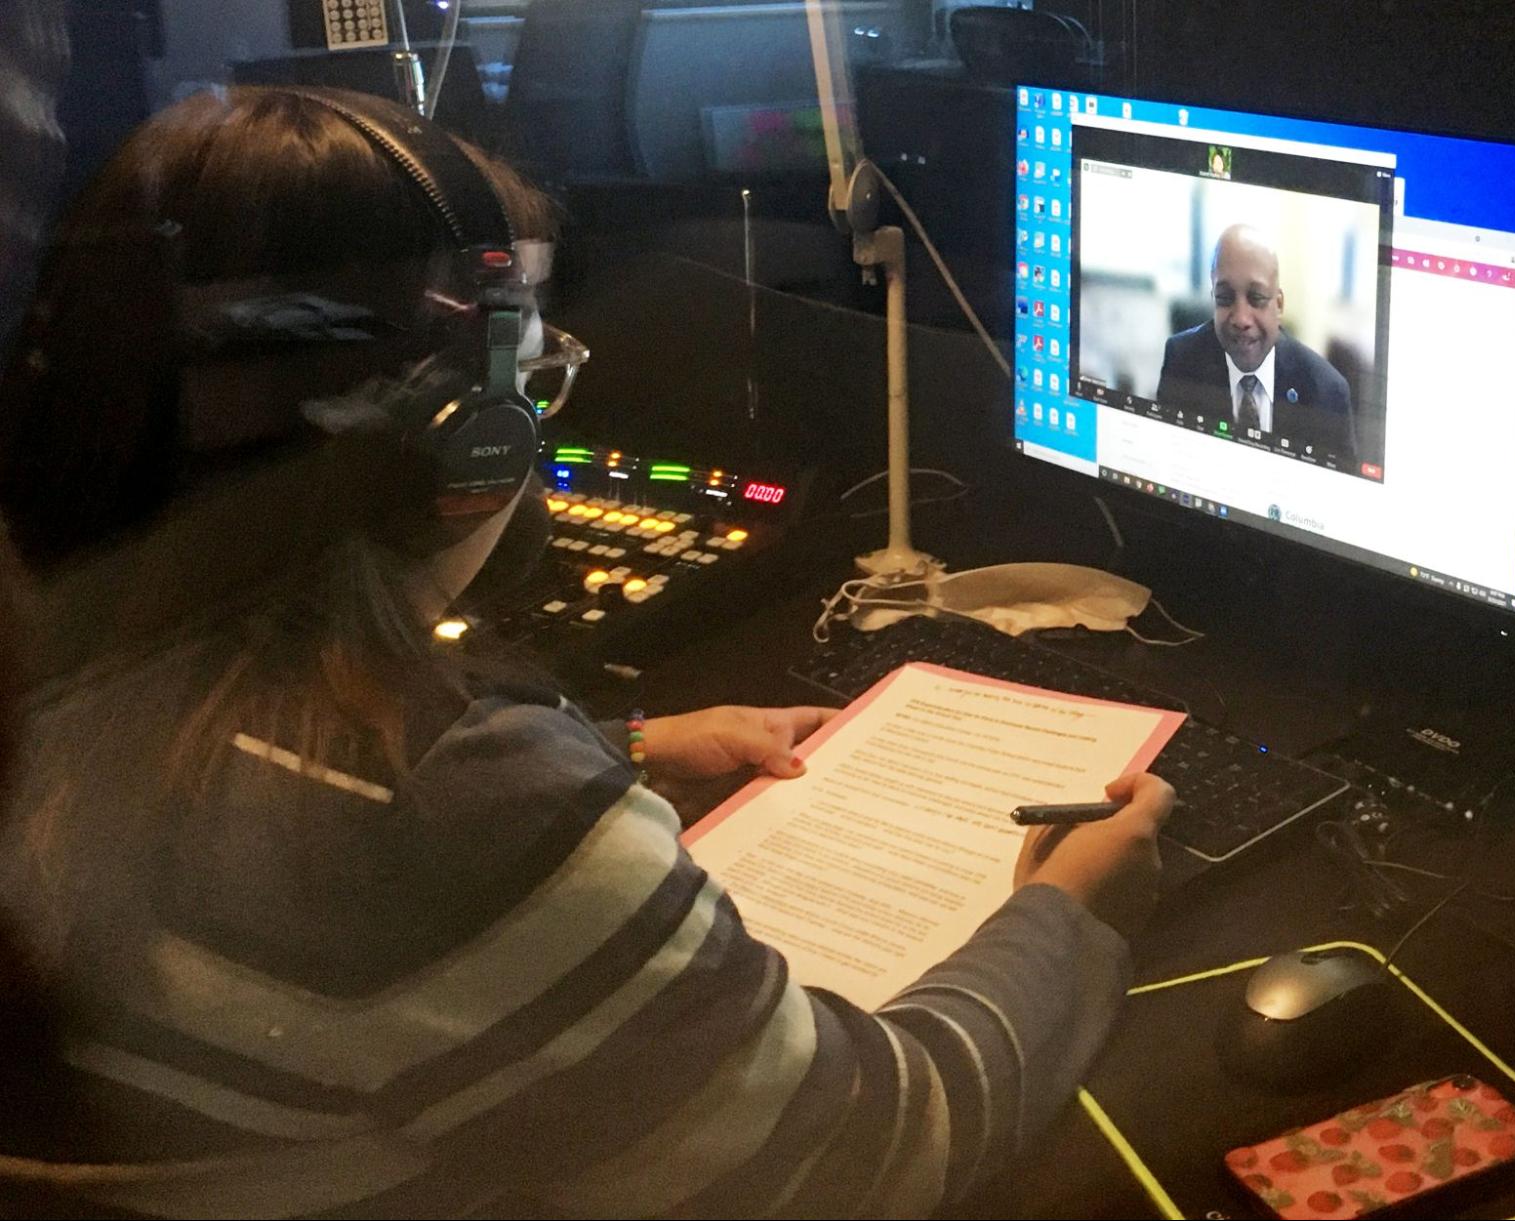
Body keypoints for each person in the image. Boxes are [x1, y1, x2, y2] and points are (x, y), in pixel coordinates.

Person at [0, 86, 1175, 1216]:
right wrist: (1068, 910)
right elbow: (872, 1149)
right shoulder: (443, 805)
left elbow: (236, 810)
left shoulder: (46, 667)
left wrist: (622, 749)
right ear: (466, 438)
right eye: (531, 378)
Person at [1157, 223, 1359, 467]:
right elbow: (1169, 464)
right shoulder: (1182, 360)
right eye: (1225, 298)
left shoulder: (1326, 390)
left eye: (1257, 298)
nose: (1241, 318)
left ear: (1279, 305)